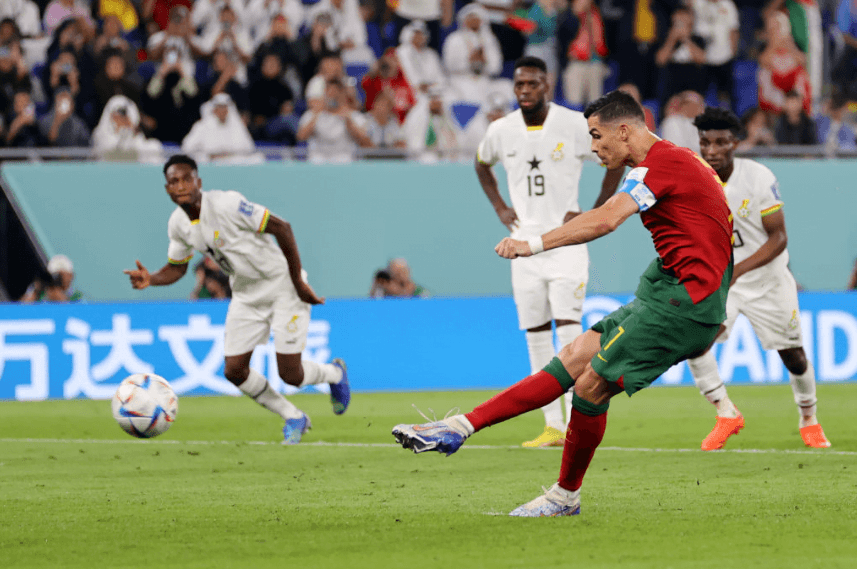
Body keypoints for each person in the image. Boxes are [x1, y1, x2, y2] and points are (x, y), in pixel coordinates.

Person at [393, 90, 734, 517]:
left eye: (596, 136)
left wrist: (532, 244)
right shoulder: (672, 161)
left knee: (591, 385)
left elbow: (607, 218)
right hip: (669, 290)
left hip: (685, 300)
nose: (592, 147)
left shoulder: (660, 165)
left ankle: (563, 497)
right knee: (573, 356)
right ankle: (459, 427)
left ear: (624, 130)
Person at [123, 154, 351, 444]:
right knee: (234, 370)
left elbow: (282, 227)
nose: (180, 186)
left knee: (291, 374)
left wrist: (296, 281)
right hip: (245, 294)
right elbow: (178, 267)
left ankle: (334, 373)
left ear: (198, 181)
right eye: (173, 182)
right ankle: (293, 416)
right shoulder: (178, 224)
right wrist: (152, 278)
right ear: (167, 188)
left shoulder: (227, 204)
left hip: (283, 286)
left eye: (185, 179)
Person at [473, 56, 623, 448]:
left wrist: (596, 208)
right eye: (519, 84)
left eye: (533, 84)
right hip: (522, 243)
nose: (525, 91)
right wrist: (499, 207)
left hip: (567, 241)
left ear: (547, 85)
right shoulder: (501, 129)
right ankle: (552, 425)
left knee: (570, 330)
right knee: (536, 333)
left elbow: (613, 160)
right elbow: (481, 162)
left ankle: (578, 418)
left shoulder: (573, 124)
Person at [685, 107, 830, 450]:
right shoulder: (694, 179)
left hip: (767, 280)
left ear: (736, 142)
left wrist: (737, 270)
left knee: (793, 356)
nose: (712, 151)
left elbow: (779, 239)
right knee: (694, 341)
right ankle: (725, 412)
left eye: (721, 142)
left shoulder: (758, 177)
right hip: (725, 285)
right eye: (706, 143)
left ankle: (809, 418)